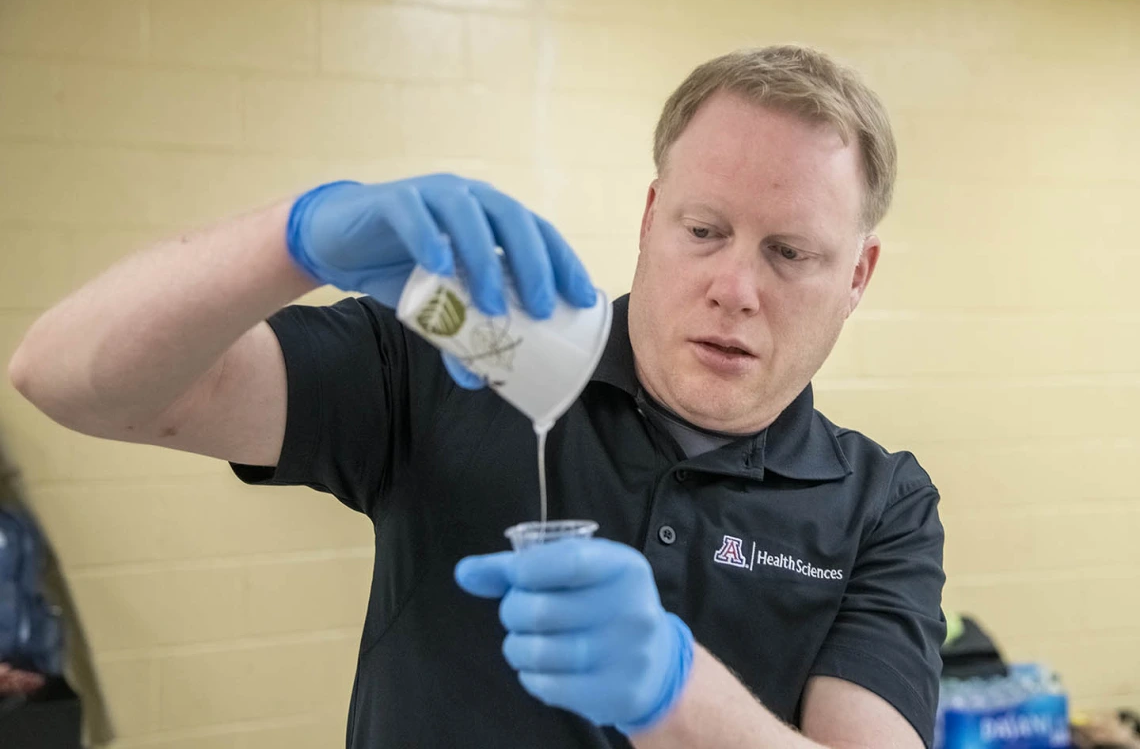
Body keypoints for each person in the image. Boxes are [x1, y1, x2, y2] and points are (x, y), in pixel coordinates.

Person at [8, 45, 945, 748]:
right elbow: (63, 378)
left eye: (790, 253)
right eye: (705, 229)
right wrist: (291, 241)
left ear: (857, 273)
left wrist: (674, 691)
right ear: (652, 215)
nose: (735, 287)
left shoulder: (881, 505)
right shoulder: (469, 360)